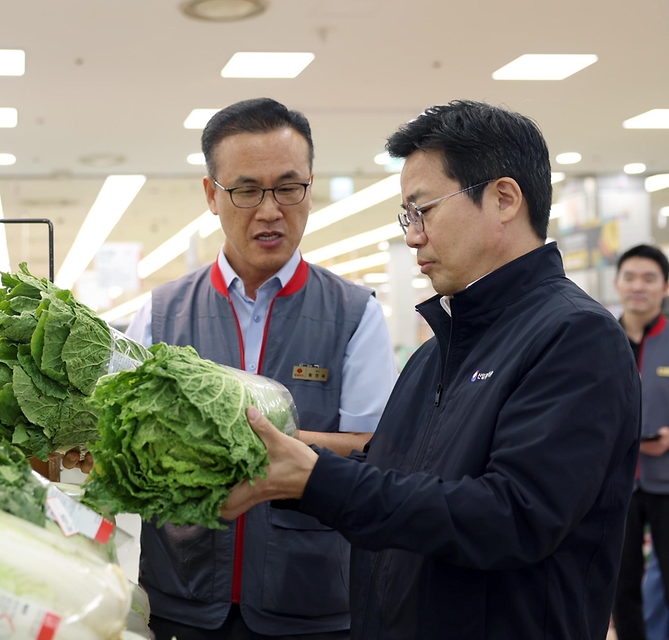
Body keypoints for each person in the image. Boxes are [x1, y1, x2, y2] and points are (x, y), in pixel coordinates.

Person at [223, 100, 641, 639]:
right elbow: (392, 472)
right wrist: (287, 454)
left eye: (424, 210)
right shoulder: (437, 351)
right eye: (407, 216)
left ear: (504, 198)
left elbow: (512, 515)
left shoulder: (576, 337)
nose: (412, 235)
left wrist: (316, 478)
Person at [125, 97, 398, 638]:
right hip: (181, 595)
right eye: (247, 190)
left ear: (310, 188)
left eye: (288, 187)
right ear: (212, 195)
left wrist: (259, 444)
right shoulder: (160, 314)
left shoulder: (354, 313)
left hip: (313, 600)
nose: (270, 210)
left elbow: (378, 446)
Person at [612, 244, 669, 640]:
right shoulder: (599, 337)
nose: (638, 286)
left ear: (665, 286)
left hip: (667, 483)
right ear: (617, 283)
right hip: (617, 485)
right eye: (630, 276)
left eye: (649, 278)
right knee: (620, 586)